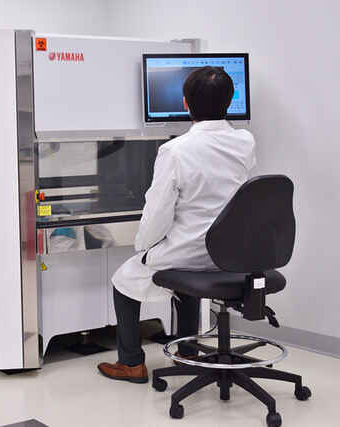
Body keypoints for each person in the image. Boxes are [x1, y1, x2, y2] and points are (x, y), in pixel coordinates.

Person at [97, 66, 257, 383]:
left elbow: (158, 210)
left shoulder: (175, 150)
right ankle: (188, 351)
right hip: (232, 254)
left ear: (185, 103)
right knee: (188, 277)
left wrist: (144, 247)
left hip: (188, 251)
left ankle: (131, 363)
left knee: (123, 280)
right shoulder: (245, 142)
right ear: (231, 101)